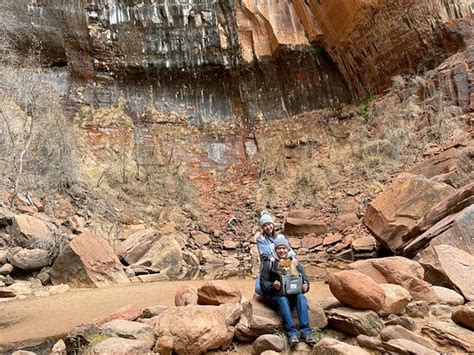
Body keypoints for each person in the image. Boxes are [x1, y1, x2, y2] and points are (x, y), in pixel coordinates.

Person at [259, 237, 317, 347]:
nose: (282, 251)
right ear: (275, 250)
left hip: (292, 295)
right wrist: (272, 286)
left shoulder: (294, 262)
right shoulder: (269, 263)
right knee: (282, 299)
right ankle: (292, 333)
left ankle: (306, 332)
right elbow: (263, 283)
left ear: (288, 249)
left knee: (301, 297)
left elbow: (304, 279)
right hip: (275, 296)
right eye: (279, 248)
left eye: (284, 248)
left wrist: (306, 287)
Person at [255, 211, 295, 294]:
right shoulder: (261, 239)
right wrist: (273, 258)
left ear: (273, 224)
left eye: (269, 224)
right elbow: (264, 254)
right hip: (268, 267)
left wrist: (293, 257)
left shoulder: (281, 236)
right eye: (265, 225)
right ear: (262, 228)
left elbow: (289, 250)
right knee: (258, 289)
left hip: (284, 265)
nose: (268, 227)